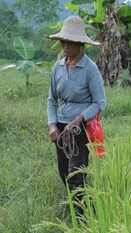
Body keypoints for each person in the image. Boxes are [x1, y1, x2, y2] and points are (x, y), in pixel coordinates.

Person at [47, 16, 107, 220]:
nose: (65, 46)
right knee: (64, 172)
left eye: (69, 43)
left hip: (79, 128)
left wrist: (80, 117)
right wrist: (52, 125)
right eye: (63, 42)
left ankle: (81, 216)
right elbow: (51, 99)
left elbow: (100, 103)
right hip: (61, 128)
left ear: (80, 45)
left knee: (76, 173)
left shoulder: (90, 69)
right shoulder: (57, 67)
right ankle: (81, 205)